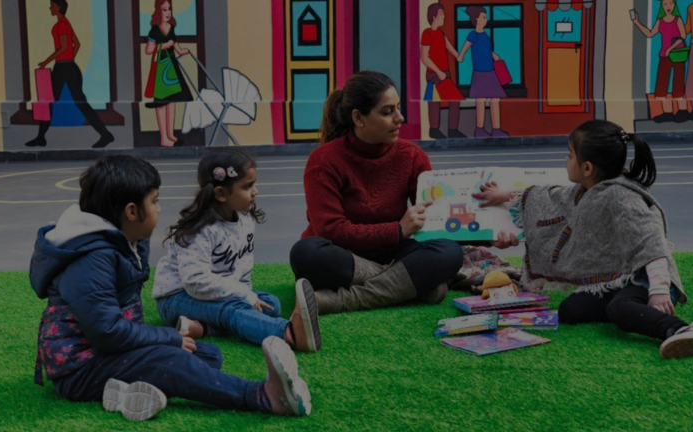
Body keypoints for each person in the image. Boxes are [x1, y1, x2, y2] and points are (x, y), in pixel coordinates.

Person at [30, 156, 312, 421]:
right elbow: (107, 332)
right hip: (80, 367)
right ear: (132, 212)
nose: (159, 208)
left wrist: (166, 342)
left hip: (108, 353)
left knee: (207, 355)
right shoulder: (91, 259)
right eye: (155, 201)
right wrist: (167, 338)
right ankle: (264, 396)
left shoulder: (126, 241)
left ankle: (124, 392)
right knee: (170, 360)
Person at [473, 120, 693, 359]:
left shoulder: (622, 196)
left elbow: (651, 243)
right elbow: (547, 196)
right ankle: (627, 307)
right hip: (617, 279)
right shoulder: (584, 191)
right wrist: (504, 195)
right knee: (570, 310)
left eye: (570, 155)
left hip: (648, 278)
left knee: (620, 309)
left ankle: (679, 330)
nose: (565, 159)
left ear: (587, 168)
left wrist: (659, 291)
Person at [290, 71, 463, 314]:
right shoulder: (324, 160)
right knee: (306, 253)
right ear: (358, 118)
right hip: (342, 255)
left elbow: (436, 220)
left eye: (398, 108)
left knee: (450, 252)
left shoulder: (412, 156)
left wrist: (487, 234)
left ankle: (339, 300)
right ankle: (416, 286)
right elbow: (331, 230)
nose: (400, 118)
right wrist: (397, 230)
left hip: (393, 252)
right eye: (387, 112)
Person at [153, 148, 321, 352]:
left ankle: (203, 328)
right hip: (177, 299)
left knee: (271, 304)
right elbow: (195, 282)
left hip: (217, 294)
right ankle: (289, 333)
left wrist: (247, 295)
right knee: (234, 310)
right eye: (247, 186)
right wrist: (243, 295)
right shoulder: (200, 231)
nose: (255, 191)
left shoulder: (245, 219)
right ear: (221, 193)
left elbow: (243, 265)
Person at [25, 0, 114, 148]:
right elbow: (76, 45)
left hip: (63, 68)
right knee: (74, 102)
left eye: (52, 5)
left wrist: (47, 61)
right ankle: (105, 134)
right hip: (69, 67)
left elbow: (64, 47)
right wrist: (70, 59)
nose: (50, 8)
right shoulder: (66, 23)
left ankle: (41, 138)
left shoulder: (61, 25)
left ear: (58, 7)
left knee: (48, 101)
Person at [144, 0, 193, 147]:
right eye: (164, 9)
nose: (167, 12)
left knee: (172, 101)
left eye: (169, 9)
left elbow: (175, 44)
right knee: (161, 103)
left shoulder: (171, 27)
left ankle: (171, 134)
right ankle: (164, 138)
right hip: (161, 69)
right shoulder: (154, 30)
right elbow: (148, 50)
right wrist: (164, 45)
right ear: (158, 12)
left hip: (172, 68)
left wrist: (181, 51)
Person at [631, 0, 689, 123]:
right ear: (662, 6)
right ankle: (668, 113)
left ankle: (682, 111)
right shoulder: (660, 21)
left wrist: (671, 48)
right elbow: (650, 33)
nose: (668, 6)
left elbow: (683, 36)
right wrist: (636, 22)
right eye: (665, 4)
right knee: (661, 86)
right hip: (664, 56)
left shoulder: (677, 20)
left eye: (670, 4)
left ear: (674, 5)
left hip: (677, 55)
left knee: (678, 85)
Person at [457, 6, 509, 138]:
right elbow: (466, 47)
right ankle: (479, 129)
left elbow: (486, 49)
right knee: (480, 100)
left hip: (490, 71)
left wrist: (493, 55)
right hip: (479, 72)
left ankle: (496, 129)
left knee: (495, 99)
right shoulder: (473, 34)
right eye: (484, 17)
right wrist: (461, 56)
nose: (486, 19)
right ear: (476, 19)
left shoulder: (485, 35)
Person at [421, 2, 466, 139]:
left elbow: (448, 46)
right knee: (440, 100)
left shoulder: (440, 33)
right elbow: (424, 57)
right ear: (433, 16)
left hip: (444, 73)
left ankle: (445, 130)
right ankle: (440, 130)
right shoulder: (427, 33)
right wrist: (438, 71)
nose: (444, 16)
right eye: (441, 14)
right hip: (435, 74)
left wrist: (458, 56)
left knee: (440, 100)